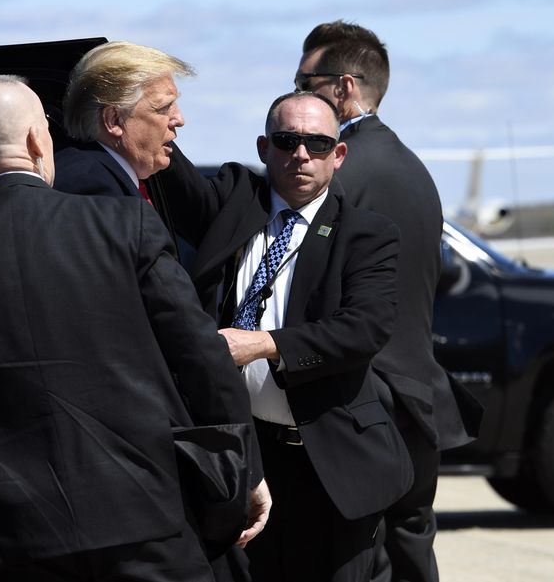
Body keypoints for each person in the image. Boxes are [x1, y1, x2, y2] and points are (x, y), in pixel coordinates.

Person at [0, 75, 269, 582]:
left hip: (9, 536)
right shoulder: (125, 226)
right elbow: (201, 357)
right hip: (145, 515)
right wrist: (244, 474)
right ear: (37, 140)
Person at [157, 91, 414, 582]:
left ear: (338, 155)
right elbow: (171, 171)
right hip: (250, 455)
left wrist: (264, 343)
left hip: (333, 458)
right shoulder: (232, 201)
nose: (301, 155)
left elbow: (365, 328)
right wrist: (142, 105)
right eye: (286, 140)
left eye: (318, 144)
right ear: (263, 147)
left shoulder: (365, 233)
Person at [296, 21, 484, 582]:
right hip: (417, 400)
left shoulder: (343, 169)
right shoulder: (412, 167)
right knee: (409, 550)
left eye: (306, 81)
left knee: (356, 560)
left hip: (361, 404)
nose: (297, 94)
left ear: (344, 88)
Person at [54, 41, 193, 261]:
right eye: (164, 108)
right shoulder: (92, 189)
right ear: (114, 120)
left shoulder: (98, 174)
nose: (179, 120)